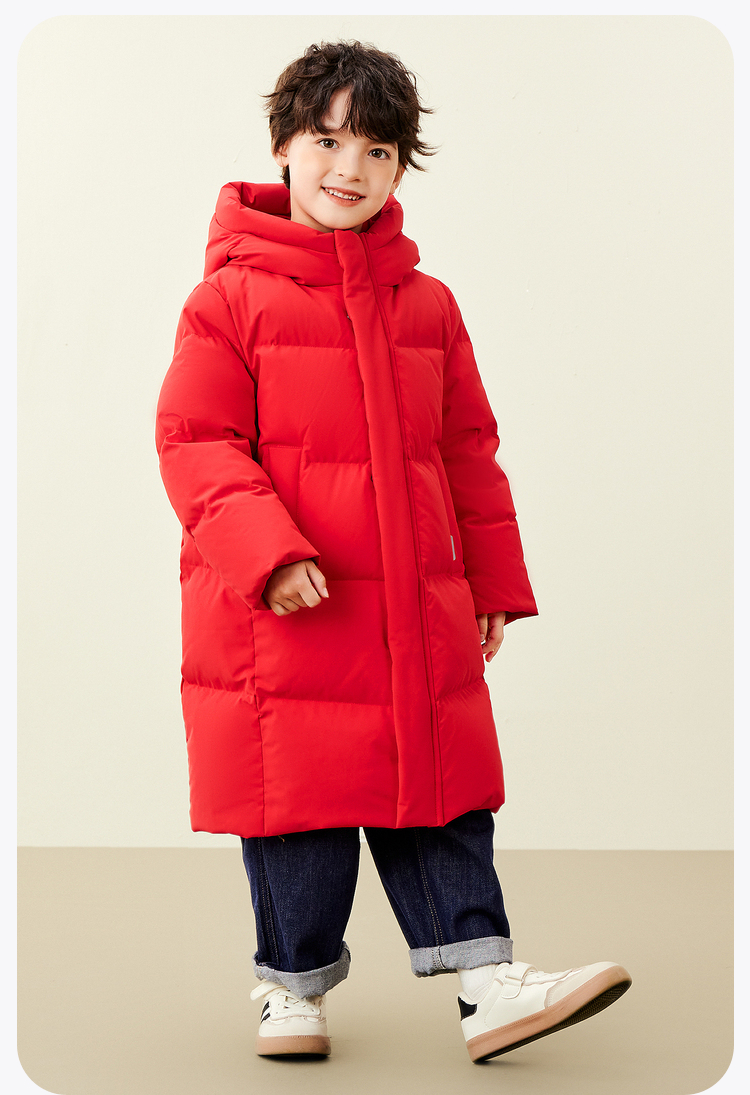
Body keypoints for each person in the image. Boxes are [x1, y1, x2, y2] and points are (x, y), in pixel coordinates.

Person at [155, 39, 631, 1064]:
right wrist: (268, 553)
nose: (350, 168)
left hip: (415, 604)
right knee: (300, 804)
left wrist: (492, 583)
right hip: (290, 608)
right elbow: (196, 442)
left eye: (377, 150)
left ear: (400, 166)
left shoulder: (428, 304)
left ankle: (488, 983)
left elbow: (467, 452)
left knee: (439, 789)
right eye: (329, 141)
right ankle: (290, 988)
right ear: (283, 146)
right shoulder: (228, 299)